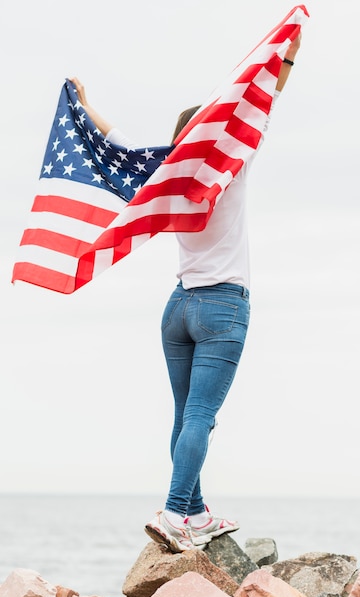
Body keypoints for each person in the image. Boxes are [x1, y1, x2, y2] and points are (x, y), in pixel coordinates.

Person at [71, 33, 301, 554]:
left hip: (178, 309)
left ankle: (195, 512)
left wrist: (84, 107)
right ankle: (176, 511)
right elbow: (266, 102)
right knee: (199, 417)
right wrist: (289, 54)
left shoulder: (165, 177)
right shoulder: (229, 171)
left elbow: (120, 144)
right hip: (222, 306)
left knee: (185, 416)